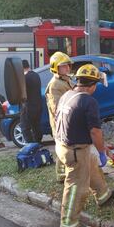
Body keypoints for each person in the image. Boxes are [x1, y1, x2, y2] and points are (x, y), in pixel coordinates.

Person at [55, 64, 114, 227]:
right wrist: (101, 151)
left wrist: (100, 148)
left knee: (90, 164)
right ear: (92, 85)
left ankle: (103, 195)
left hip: (62, 146)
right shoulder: (88, 101)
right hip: (75, 150)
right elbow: (95, 131)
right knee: (77, 185)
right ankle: (69, 224)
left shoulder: (67, 95)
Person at [46, 52, 74, 181]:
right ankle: (62, 175)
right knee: (63, 149)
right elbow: (56, 108)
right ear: (55, 67)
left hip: (67, 122)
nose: (67, 68)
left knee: (64, 149)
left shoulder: (66, 80)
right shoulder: (55, 85)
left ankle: (62, 175)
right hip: (60, 123)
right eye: (64, 66)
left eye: (68, 65)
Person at [21, 59, 43, 144]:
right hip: (38, 105)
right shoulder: (36, 75)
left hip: (28, 106)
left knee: (25, 127)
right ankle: (38, 143)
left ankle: (31, 145)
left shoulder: (25, 78)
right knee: (36, 126)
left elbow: (22, 93)